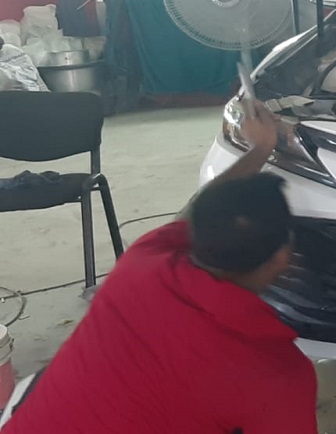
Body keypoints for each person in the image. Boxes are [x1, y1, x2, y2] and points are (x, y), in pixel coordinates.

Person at [2, 104, 318, 433]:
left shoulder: (142, 261)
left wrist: (261, 148)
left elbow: (201, 209)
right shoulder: (275, 371)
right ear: (282, 257)